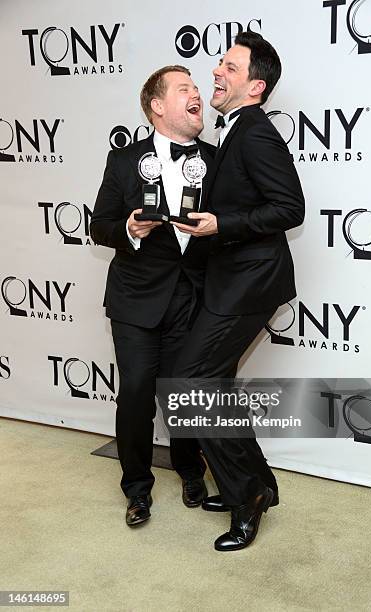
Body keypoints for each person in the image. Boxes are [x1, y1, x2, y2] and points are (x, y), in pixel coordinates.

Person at [171, 32, 305, 551]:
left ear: (255, 85)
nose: (216, 72)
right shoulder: (235, 130)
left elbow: (289, 209)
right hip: (233, 280)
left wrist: (221, 224)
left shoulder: (255, 133)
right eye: (218, 63)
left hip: (250, 282)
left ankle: (247, 494)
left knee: (190, 382)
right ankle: (258, 486)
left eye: (229, 65)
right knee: (212, 384)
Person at [90, 65, 215, 527]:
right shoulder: (124, 160)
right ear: (158, 106)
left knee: (185, 392)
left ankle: (190, 470)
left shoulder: (217, 160)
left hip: (195, 298)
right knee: (138, 393)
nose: (197, 94)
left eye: (198, 88)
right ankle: (137, 489)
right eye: (185, 88)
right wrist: (129, 228)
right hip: (136, 297)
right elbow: (98, 224)